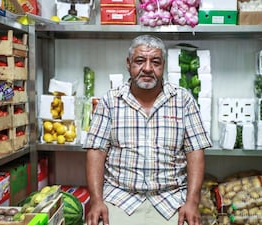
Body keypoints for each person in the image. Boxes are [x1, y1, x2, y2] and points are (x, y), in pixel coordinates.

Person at [83, 34, 212, 225]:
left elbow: (195, 152)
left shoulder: (183, 100)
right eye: (140, 61)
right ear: (129, 64)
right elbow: (96, 152)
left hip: (171, 198)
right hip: (120, 197)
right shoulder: (110, 101)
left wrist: (192, 202)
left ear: (164, 65)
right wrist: (96, 201)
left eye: (156, 62)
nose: (148, 68)